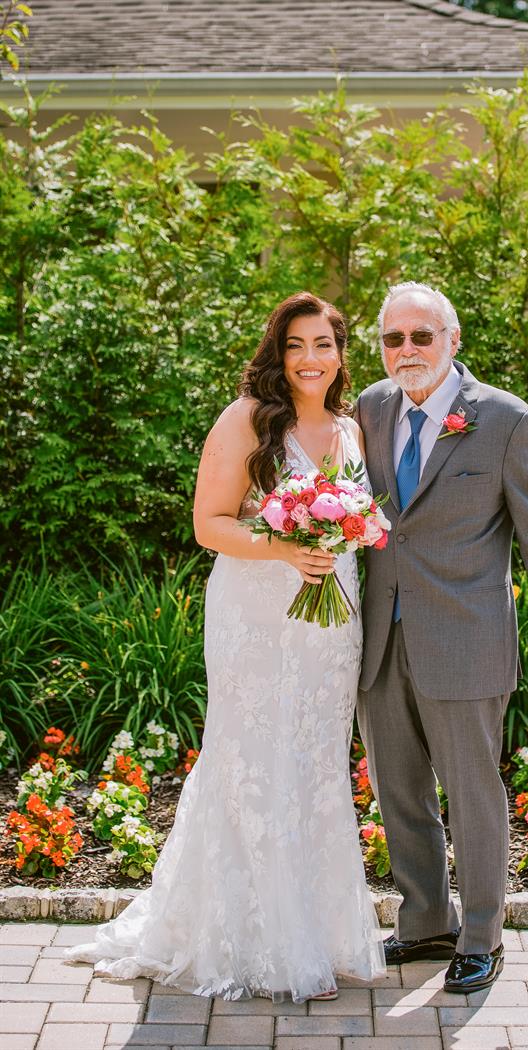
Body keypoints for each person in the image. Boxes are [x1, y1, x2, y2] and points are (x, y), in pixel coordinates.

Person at [66, 292, 385, 1002]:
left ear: (340, 353)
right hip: (256, 615)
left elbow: (363, 520)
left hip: (333, 623)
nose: (311, 359)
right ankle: (256, 941)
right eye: (296, 345)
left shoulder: (351, 426)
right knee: (251, 757)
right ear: (278, 353)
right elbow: (209, 523)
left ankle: (318, 934)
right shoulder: (247, 419)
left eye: (323, 345)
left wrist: (351, 533)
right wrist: (283, 547)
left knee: (316, 763)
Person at [355, 281, 528, 994]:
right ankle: (425, 923)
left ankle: (484, 935)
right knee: (400, 794)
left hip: (465, 637)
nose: (407, 350)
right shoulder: (370, 408)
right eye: (394, 338)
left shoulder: (503, 420)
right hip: (380, 638)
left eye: (421, 336)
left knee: (472, 793)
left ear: (453, 341)